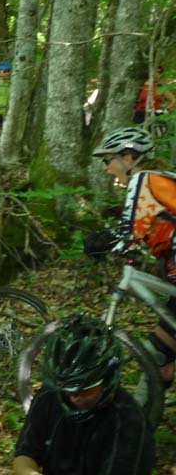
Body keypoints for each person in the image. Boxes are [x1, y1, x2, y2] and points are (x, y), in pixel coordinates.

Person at [88, 127, 176, 388]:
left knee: (153, 354)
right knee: (160, 359)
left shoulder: (143, 179)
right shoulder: (159, 179)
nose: (106, 168)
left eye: (108, 160)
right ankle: (144, 420)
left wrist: (101, 242)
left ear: (128, 157)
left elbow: (128, 231)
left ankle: (137, 425)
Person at [13, 315, 154, 475]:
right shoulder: (49, 396)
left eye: (86, 390)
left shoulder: (128, 421)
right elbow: (25, 453)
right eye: (66, 389)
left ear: (106, 381)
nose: (74, 397)